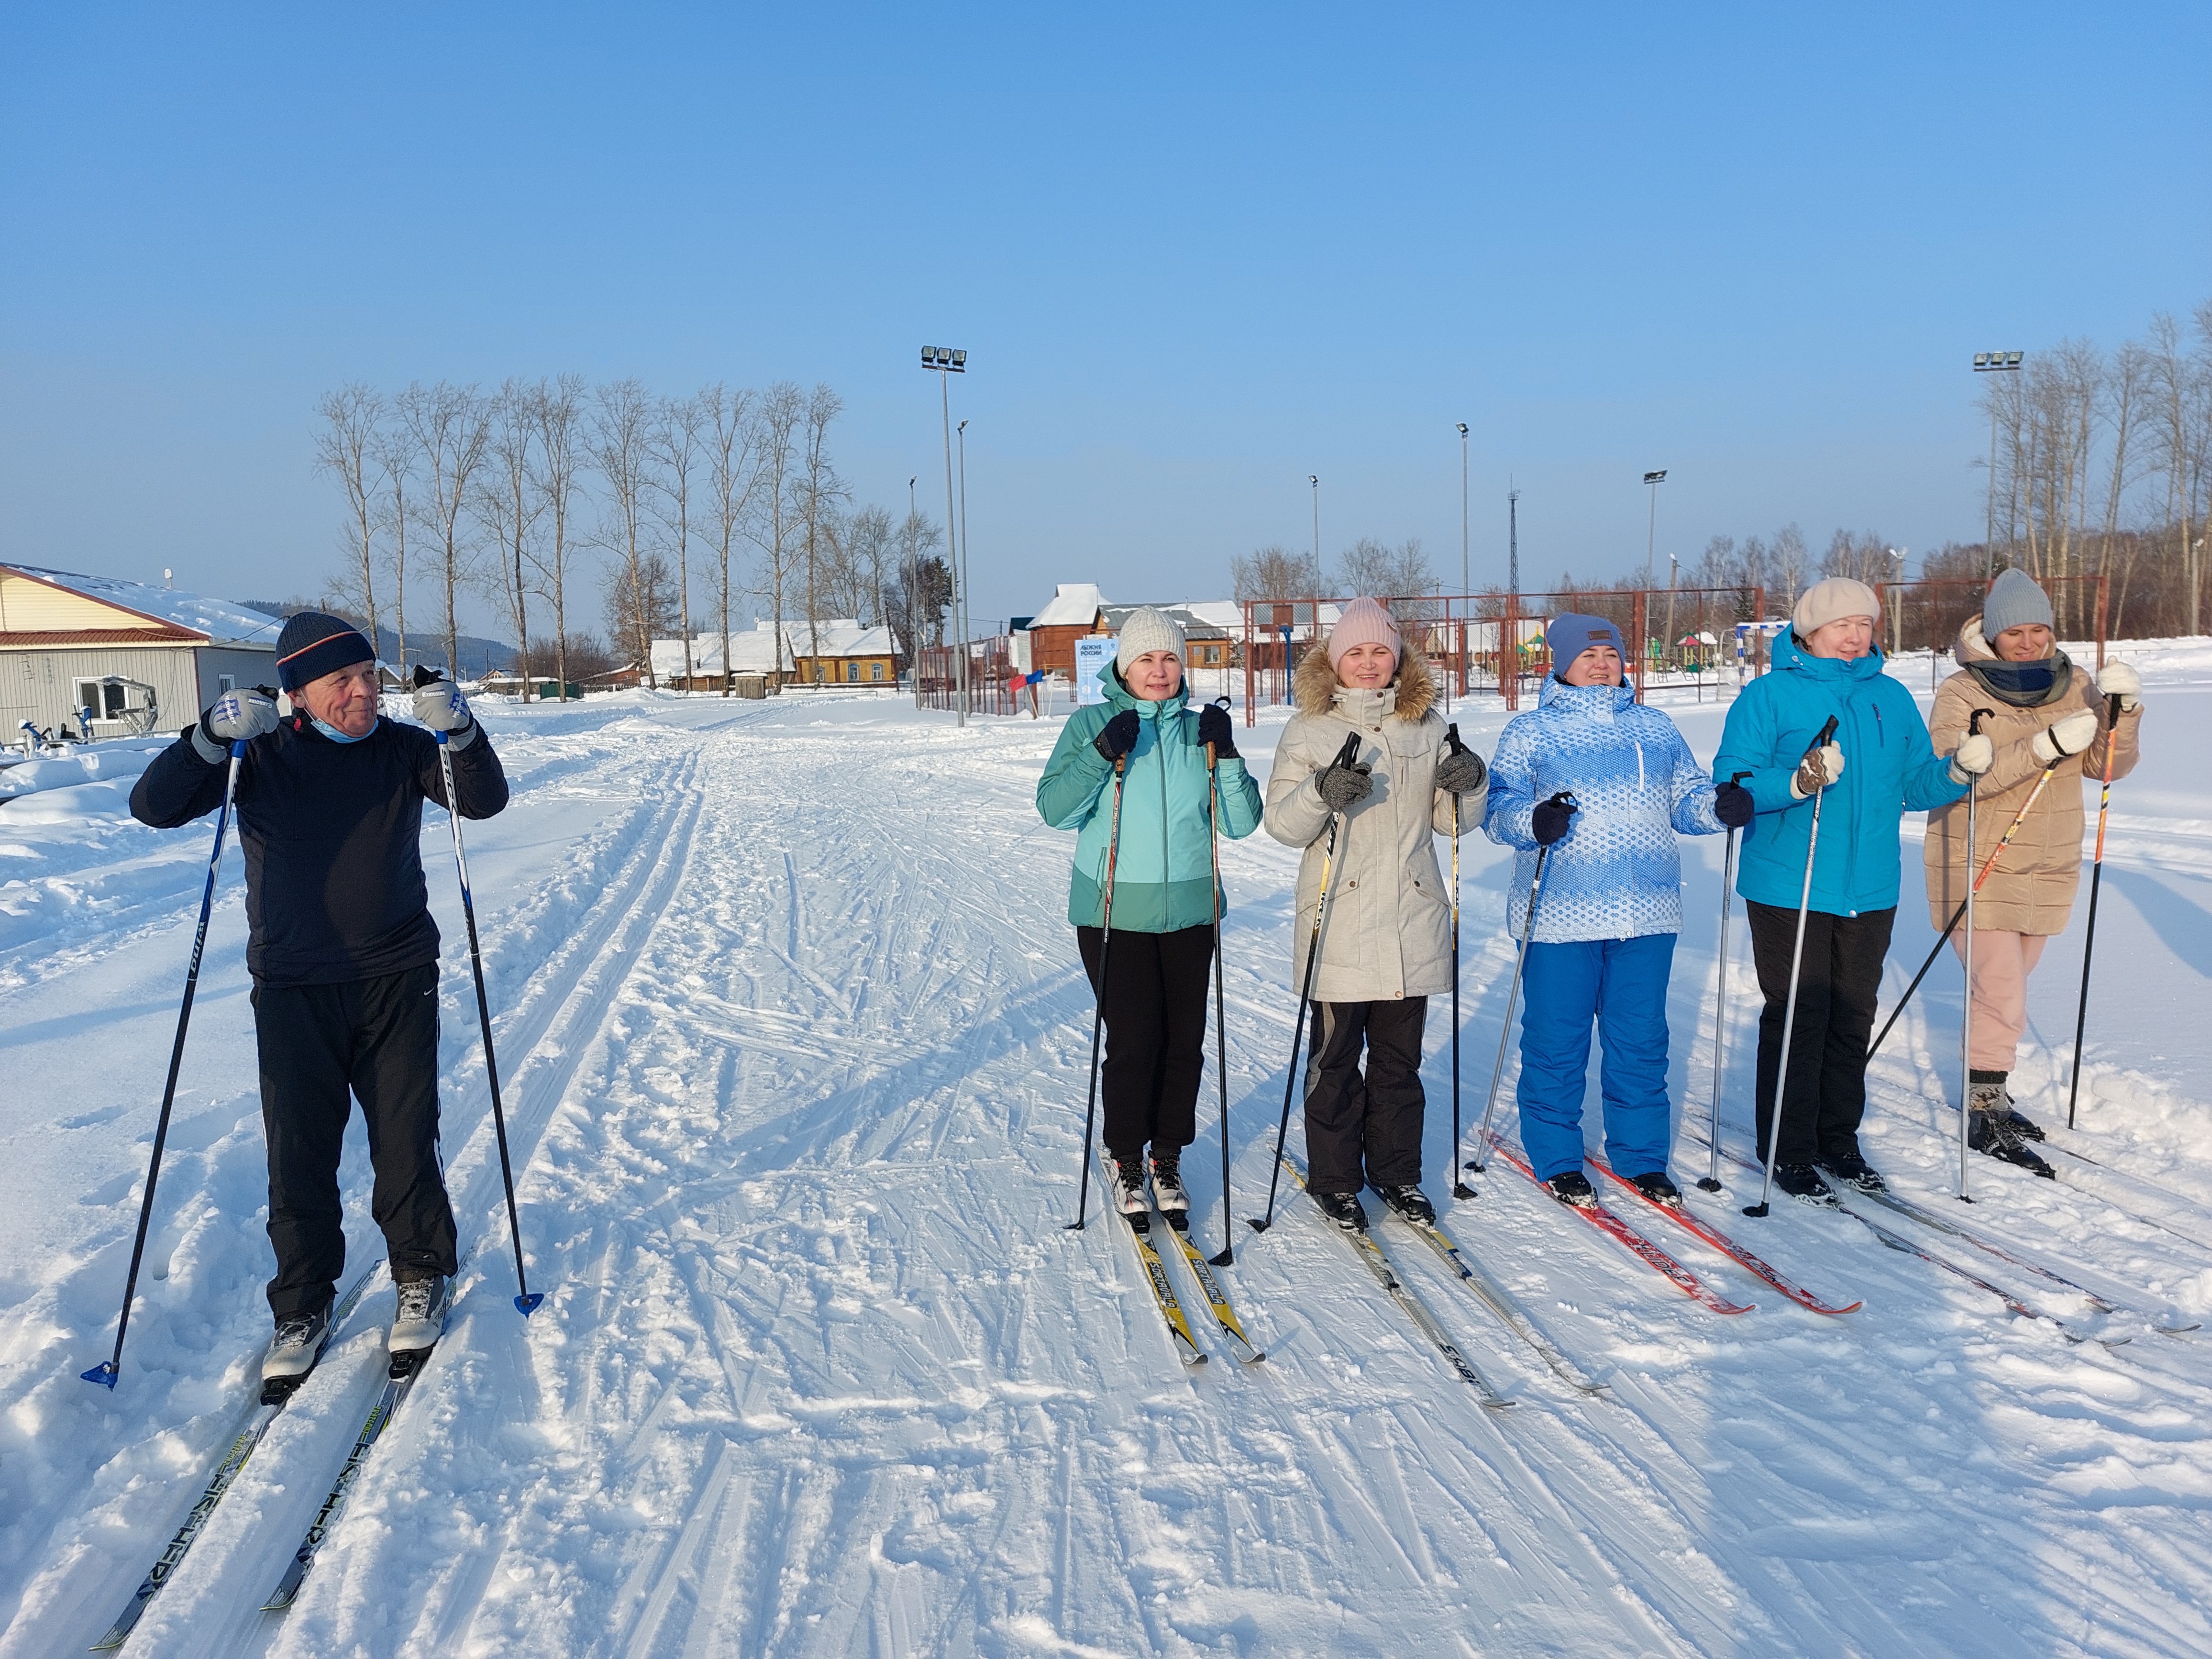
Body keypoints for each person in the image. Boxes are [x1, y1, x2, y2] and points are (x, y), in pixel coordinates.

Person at [129, 612, 508, 1384]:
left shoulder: (405, 749)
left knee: (406, 1138)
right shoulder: (259, 756)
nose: (365, 691)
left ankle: (420, 1274)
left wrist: (462, 732)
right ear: (298, 691)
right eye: (344, 680)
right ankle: (302, 1301)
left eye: (370, 675)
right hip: (293, 985)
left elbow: (484, 802)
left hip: (397, 975)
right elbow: (154, 806)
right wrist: (207, 735)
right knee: (296, 1152)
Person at [1712, 578, 1977, 1203]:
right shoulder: (1768, 696)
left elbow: (1914, 785)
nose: (1857, 635)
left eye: (1865, 623)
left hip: (1871, 885)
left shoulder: (1889, 696)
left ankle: (1838, 1137)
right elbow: (1735, 783)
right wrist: (1797, 782)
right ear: (1809, 631)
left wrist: (1958, 771)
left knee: (1853, 1014)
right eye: (1842, 625)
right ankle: (1789, 1146)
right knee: (1800, 1013)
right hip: (1790, 883)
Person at [1483, 614, 1746, 1207]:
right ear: (1560, 662)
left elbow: (1684, 799)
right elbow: (1497, 811)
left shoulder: (1654, 727)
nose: (1601, 664)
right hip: (1560, 912)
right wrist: (1533, 821)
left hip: (1646, 911)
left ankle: (1641, 1156)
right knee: (1557, 1037)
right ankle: (1557, 1156)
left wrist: (1718, 808)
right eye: (1589, 654)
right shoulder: (1533, 733)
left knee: (1640, 1038)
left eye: (1609, 653)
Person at [1262, 598, 1488, 1230]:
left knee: (1398, 1067)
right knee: (1334, 1063)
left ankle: (1397, 1173)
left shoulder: (1429, 725)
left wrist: (1469, 785)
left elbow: (1449, 823)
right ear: (1335, 662)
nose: (1368, 663)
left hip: (1411, 921)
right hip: (1339, 921)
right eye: (1355, 653)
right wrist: (1319, 793)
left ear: (1398, 658)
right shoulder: (1310, 730)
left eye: (1380, 651)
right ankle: (1335, 1178)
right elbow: (1281, 823)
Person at [1036, 608, 1262, 1218]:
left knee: (1184, 1043)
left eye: (1168, 659)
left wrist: (1230, 754)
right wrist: (1100, 752)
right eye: (1145, 659)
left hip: (1191, 913)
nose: (1158, 671)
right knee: (1136, 1042)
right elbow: (1054, 809)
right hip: (1114, 912)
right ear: (1123, 666)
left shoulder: (1198, 730)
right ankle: (1125, 1157)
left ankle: (1167, 1156)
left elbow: (1240, 824)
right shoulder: (1091, 723)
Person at [1924, 568, 2142, 1173]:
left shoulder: (2074, 684)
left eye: (2038, 630)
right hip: (1978, 859)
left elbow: (2106, 766)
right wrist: (2043, 747)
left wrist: (2123, 714)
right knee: (2001, 993)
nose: (2027, 643)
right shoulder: (1961, 692)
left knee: (2008, 987)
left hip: (2047, 862)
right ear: (1992, 636)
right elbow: (1956, 774)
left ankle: (1988, 1090)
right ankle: (1985, 1113)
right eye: (2014, 632)